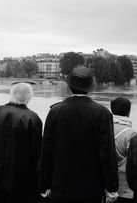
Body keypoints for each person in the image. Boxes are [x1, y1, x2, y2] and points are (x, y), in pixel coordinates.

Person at [39, 66, 118, 203]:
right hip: (91, 188)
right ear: (90, 87)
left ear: (69, 86)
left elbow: (46, 151)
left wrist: (43, 184)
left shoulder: (55, 112)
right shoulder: (102, 113)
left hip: (60, 185)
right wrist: (111, 187)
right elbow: (107, 154)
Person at [0, 83, 42, 203]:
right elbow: (37, 151)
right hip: (23, 179)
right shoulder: (33, 118)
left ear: (11, 95)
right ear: (29, 97)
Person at [111, 97, 136, 203]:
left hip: (103, 184)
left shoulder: (103, 127)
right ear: (129, 112)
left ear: (112, 110)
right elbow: (134, 162)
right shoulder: (131, 134)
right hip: (124, 187)